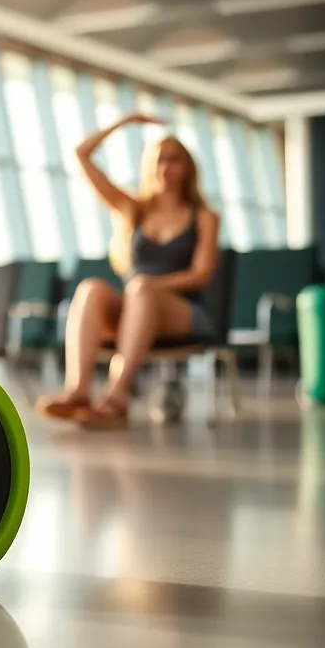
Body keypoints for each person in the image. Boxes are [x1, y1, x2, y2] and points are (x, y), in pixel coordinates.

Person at [36, 115, 220, 426]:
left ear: (187, 167)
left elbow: (201, 274)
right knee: (91, 289)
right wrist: (125, 122)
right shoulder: (133, 209)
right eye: (159, 160)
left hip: (183, 312)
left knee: (140, 288)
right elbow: (81, 155)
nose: (166, 168)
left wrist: (152, 284)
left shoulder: (203, 216)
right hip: (137, 306)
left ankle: (116, 398)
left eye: (174, 160)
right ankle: (77, 391)